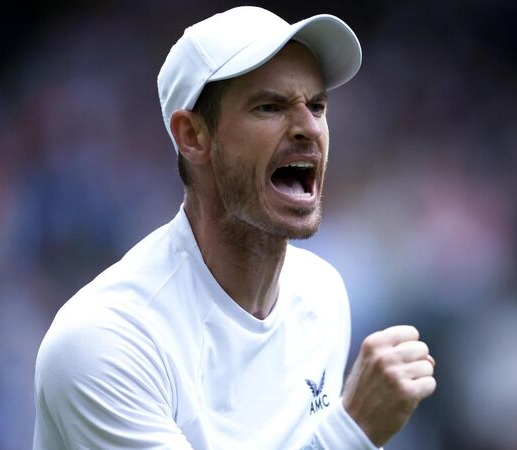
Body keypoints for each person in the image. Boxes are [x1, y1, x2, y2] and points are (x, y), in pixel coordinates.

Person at [33, 6, 435, 449]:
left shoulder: (323, 294)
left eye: (317, 105)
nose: (309, 128)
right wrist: (353, 429)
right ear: (192, 136)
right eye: (270, 106)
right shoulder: (105, 342)